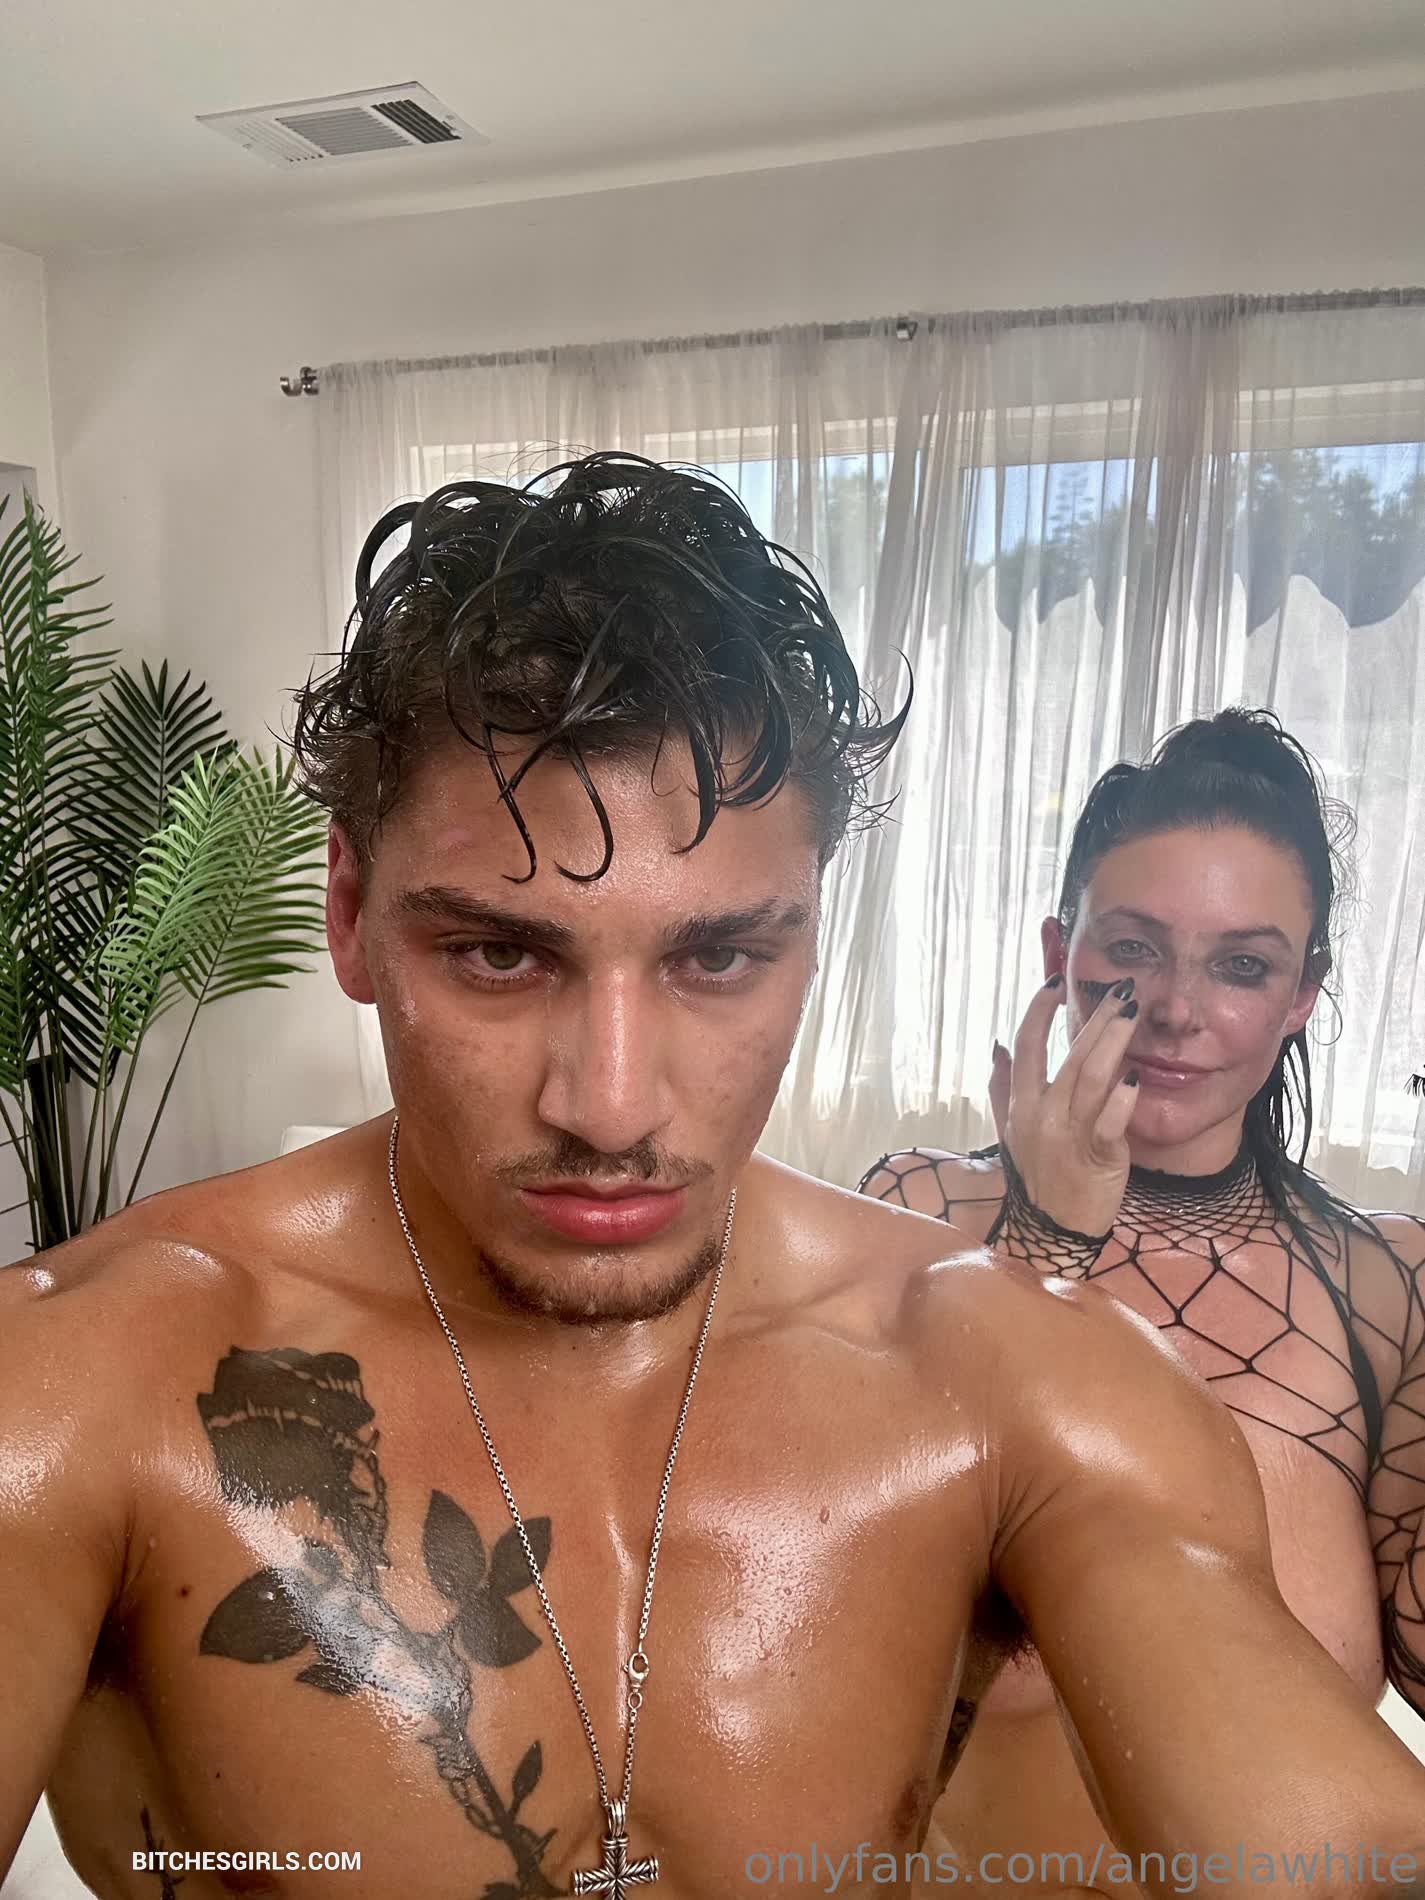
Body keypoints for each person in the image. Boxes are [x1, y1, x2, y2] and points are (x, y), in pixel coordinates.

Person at [3, 463, 1423, 1900]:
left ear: (812, 935)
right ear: (353, 914)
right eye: (501, 953)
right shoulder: (79, 1391)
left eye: (719, 955)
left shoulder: (1010, 1387)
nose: (611, 1105)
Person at [861, 710, 1425, 1895]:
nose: (1176, 1007)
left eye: (1243, 965)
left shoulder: (1387, 1284)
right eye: (1134, 947)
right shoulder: (916, 1214)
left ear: (1303, 994)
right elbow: (848, 1654)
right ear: (1060, 948)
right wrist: (1039, 1249)